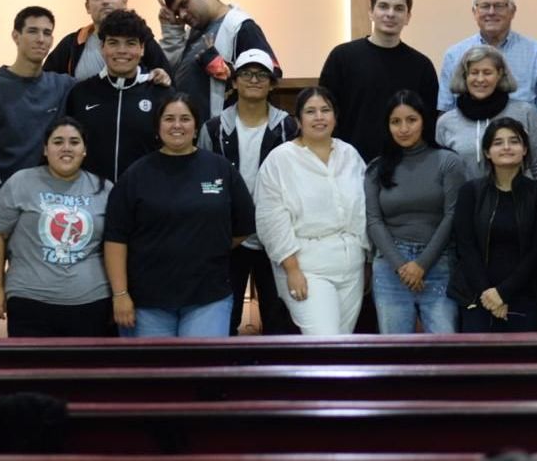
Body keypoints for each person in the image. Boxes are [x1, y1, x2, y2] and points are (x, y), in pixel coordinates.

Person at [0, 6, 77, 337]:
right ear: (16, 36)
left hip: (43, 211)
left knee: (34, 300)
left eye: (47, 33)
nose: (41, 39)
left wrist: (155, 74)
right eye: (33, 31)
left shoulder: (63, 86)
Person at [103, 93, 255, 337]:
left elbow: (245, 224)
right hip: (148, 301)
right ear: (157, 127)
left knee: (201, 363)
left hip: (208, 297)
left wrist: (209, 246)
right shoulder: (136, 175)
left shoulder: (220, 169)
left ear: (196, 127)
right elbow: (115, 239)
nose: (177, 125)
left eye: (185, 119)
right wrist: (120, 294)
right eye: (169, 119)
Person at [0, 117, 113, 337]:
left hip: (92, 301)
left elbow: (116, 244)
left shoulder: (104, 188)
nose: (66, 148)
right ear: (45, 149)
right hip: (28, 299)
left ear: (84, 150)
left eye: (74, 142)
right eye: (58, 141)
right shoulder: (21, 182)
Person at [254, 87, 368, 336]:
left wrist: (367, 261)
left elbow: (365, 210)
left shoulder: (350, 154)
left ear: (335, 117)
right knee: (324, 339)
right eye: (310, 111)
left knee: (342, 342)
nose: (319, 117)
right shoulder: (280, 159)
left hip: (351, 265)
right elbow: (271, 220)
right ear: (298, 120)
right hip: (306, 267)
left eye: (325, 110)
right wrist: (292, 269)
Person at [199, 49, 297, 335]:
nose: (254, 80)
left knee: (279, 319)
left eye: (261, 75)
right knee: (224, 318)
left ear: (272, 84)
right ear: (234, 81)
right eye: (246, 74)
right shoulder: (214, 128)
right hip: (230, 238)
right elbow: (201, 178)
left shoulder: (288, 127)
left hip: (276, 238)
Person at [365, 90, 465, 334]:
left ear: (424, 121)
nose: (404, 129)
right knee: (395, 351)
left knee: (445, 347)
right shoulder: (376, 168)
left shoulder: (448, 161)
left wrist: (421, 264)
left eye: (411, 120)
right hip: (390, 267)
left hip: (439, 263)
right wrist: (401, 266)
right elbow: (374, 220)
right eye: (395, 122)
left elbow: (453, 215)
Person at [320, 0, 439, 162]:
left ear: (408, 17)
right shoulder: (342, 57)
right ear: (371, 12)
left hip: (405, 164)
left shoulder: (422, 66)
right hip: (349, 162)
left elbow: (428, 122)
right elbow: (326, 111)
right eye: (383, 6)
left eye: (399, 8)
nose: (390, 14)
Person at [448, 117, 537, 333]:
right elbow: (466, 247)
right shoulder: (470, 192)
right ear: (487, 152)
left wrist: (503, 293)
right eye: (498, 142)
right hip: (478, 297)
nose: (506, 147)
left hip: (525, 297)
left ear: (524, 150)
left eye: (514, 141)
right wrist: (489, 294)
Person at [438, 0, 537, 135]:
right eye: (485, 6)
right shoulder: (454, 55)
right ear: (474, 12)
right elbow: (445, 110)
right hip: (465, 148)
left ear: (513, 11)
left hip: (521, 147)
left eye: (499, 6)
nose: (491, 12)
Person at [64, 9, 174, 182]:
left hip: (144, 194)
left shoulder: (161, 94)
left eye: (130, 43)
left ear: (142, 49)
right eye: (113, 43)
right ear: (102, 47)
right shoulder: (81, 93)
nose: (122, 50)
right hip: (91, 195)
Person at [157, 0, 281, 122]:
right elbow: (170, 70)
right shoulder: (193, 33)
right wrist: (173, 29)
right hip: (191, 129)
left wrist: (219, 67)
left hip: (224, 129)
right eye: (177, 12)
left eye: (184, 4)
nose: (182, 15)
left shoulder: (241, 26)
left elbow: (272, 71)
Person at [435, 45, 537, 179]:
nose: (480, 79)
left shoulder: (525, 112)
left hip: (520, 191)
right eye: (474, 72)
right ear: (465, 76)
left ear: (499, 74)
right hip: (465, 192)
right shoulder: (446, 122)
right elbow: (441, 172)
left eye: (487, 72)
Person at [43, 0, 171, 80]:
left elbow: (167, 82)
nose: (105, 1)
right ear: (87, 7)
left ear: (125, 2)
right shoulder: (72, 43)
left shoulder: (143, 39)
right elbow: (45, 81)